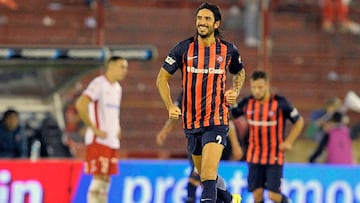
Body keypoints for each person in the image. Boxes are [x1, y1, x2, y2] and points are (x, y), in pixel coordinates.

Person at [156, 3, 246, 203]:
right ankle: (231, 200)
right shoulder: (183, 48)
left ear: (216, 23)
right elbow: (162, 79)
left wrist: (235, 91)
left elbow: (239, 72)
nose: (202, 22)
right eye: (199, 18)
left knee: (206, 174)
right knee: (206, 174)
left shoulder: (228, 50)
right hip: (191, 123)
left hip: (216, 121)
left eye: (207, 19)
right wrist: (170, 105)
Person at [156, 92, 243, 203]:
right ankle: (230, 199)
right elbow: (176, 113)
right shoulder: (186, 91)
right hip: (195, 140)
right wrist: (165, 131)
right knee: (206, 179)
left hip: (211, 139)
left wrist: (235, 146)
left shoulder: (214, 88)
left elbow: (227, 121)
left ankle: (226, 199)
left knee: (197, 177)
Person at [231, 70, 304, 203]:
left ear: (267, 85)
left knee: (273, 195)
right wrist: (235, 145)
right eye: (254, 87)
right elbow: (228, 118)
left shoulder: (280, 103)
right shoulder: (247, 103)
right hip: (254, 156)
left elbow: (299, 121)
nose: (257, 91)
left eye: (260, 87)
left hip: (274, 157)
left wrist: (289, 142)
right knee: (257, 195)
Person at [75, 56, 128, 203]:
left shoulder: (118, 88)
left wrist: (117, 127)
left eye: (126, 67)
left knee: (106, 178)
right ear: (111, 67)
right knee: (98, 176)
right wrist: (93, 128)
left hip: (111, 140)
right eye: (122, 67)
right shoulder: (98, 84)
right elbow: (81, 104)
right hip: (98, 139)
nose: (125, 71)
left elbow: (113, 112)